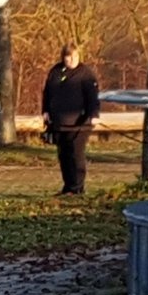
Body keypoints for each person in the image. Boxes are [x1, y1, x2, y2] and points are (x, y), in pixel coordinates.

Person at [42, 42, 100, 195]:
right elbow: (47, 92)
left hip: (80, 123)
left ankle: (77, 187)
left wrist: (93, 115)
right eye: (67, 58)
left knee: (76, 155)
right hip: (59, 123)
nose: (70, 61)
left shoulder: (86, 74)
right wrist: (45, 110)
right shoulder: (55, 71)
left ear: (78, 56)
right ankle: (68, 186)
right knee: (64, 155)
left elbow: (93, 97)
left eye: (73, 57)